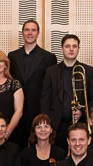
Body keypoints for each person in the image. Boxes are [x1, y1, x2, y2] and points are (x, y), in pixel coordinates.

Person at [41, 33, 93, 140]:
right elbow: (45, 100)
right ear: (62, 49)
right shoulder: (51, 72)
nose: (71, 49)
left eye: (74, 46)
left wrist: (82, 113)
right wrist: (47, 125)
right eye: (67, 46)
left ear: (78, 49)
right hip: (57, 126)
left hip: (81, 124)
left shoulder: (88, 71)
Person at [8, 19, 57, 147]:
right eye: (27, 30)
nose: (30, 33)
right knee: (17, 145)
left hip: (39, 109)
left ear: (38, 33)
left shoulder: (49, 57)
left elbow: (51, 87)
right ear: (23, 33)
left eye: (33, 30)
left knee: (38, 146)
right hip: (16, 109)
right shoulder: (12, 56)